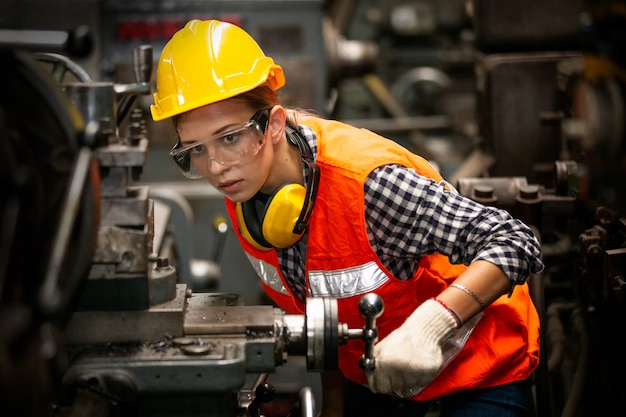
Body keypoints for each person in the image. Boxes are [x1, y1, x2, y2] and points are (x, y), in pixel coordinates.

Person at [150, 19, 544, 417]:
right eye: (195, 150)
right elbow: (323, 315)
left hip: (478, 367)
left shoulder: (370, 186)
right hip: (380, 375)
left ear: (273, 125)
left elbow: (514, 240)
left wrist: (433, 325)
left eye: (229, 137)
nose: (215, 166)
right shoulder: (248, 194)